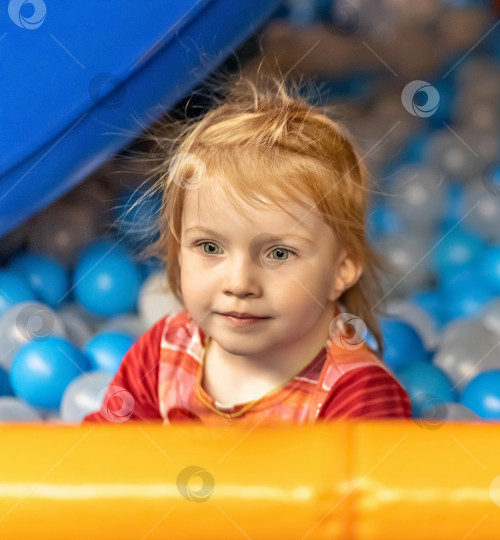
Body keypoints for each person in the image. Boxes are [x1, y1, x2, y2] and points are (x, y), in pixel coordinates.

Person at [83, 73, 411, 426]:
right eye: (210, 247)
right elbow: (105, 463)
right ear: (178, 253)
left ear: (341, 269)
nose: (239, 283)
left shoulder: (357, 398)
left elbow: (359, 481)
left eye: (278, 254)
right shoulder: (163, 355)